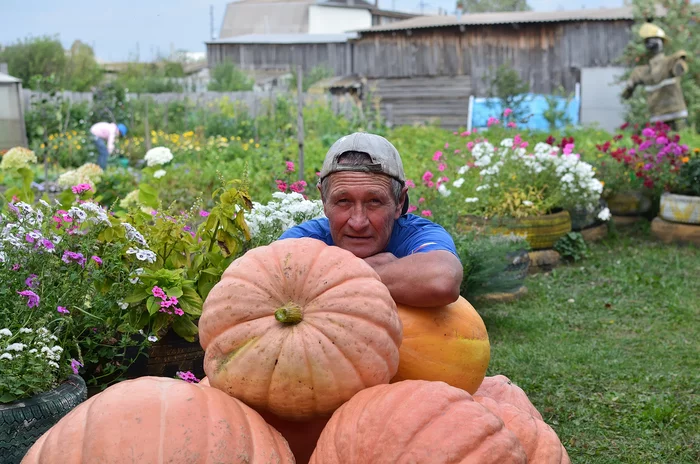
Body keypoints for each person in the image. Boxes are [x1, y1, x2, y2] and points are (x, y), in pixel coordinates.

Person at [278, 132, 463, 308]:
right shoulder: (305, 239)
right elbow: (264, 280)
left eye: (374, 201)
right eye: (343, 201)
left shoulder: (416, 234)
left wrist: (318, 279)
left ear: (399, 202)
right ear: (324, 201)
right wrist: (366, 270)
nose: (358, 223)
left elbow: (442, 279)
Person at [621, 22, 689, 131]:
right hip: (663, 115)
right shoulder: (643, 71)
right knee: (669, 145)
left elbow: (680, 69)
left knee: (676, 144)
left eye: (654, 41)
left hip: (674, 114)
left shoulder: (671, 62)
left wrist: (680, 63)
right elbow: (628, 89)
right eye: (649, 41)